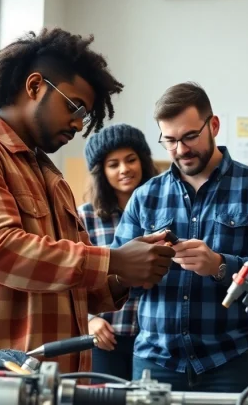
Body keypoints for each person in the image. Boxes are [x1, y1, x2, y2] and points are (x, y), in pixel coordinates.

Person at [0, 28, 175, 374]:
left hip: (57, 381)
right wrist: (115, 260)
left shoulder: (48, 175)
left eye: (85, 116)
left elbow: (81, 287)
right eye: (74, 107)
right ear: (35, 86)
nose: (77, 124)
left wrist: (130, 272)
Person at [111, 82, 248, 392]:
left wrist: (221, 266)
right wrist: (137, 272)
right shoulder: (144, 197)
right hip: (156, 363)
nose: (180, 150)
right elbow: (114, 279)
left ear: (214, 125)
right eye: (170, 140)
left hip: (232, 362)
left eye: (190, 136)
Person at [78, 123, 158, 380]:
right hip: (106, 338)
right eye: (113, 164)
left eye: (131, 160)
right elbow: (74, 275)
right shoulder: (85, 216)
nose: (124, 169)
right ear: (102, 172)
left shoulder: (164, 209)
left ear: (143, 162)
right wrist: (88, 320)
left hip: (156, 337)